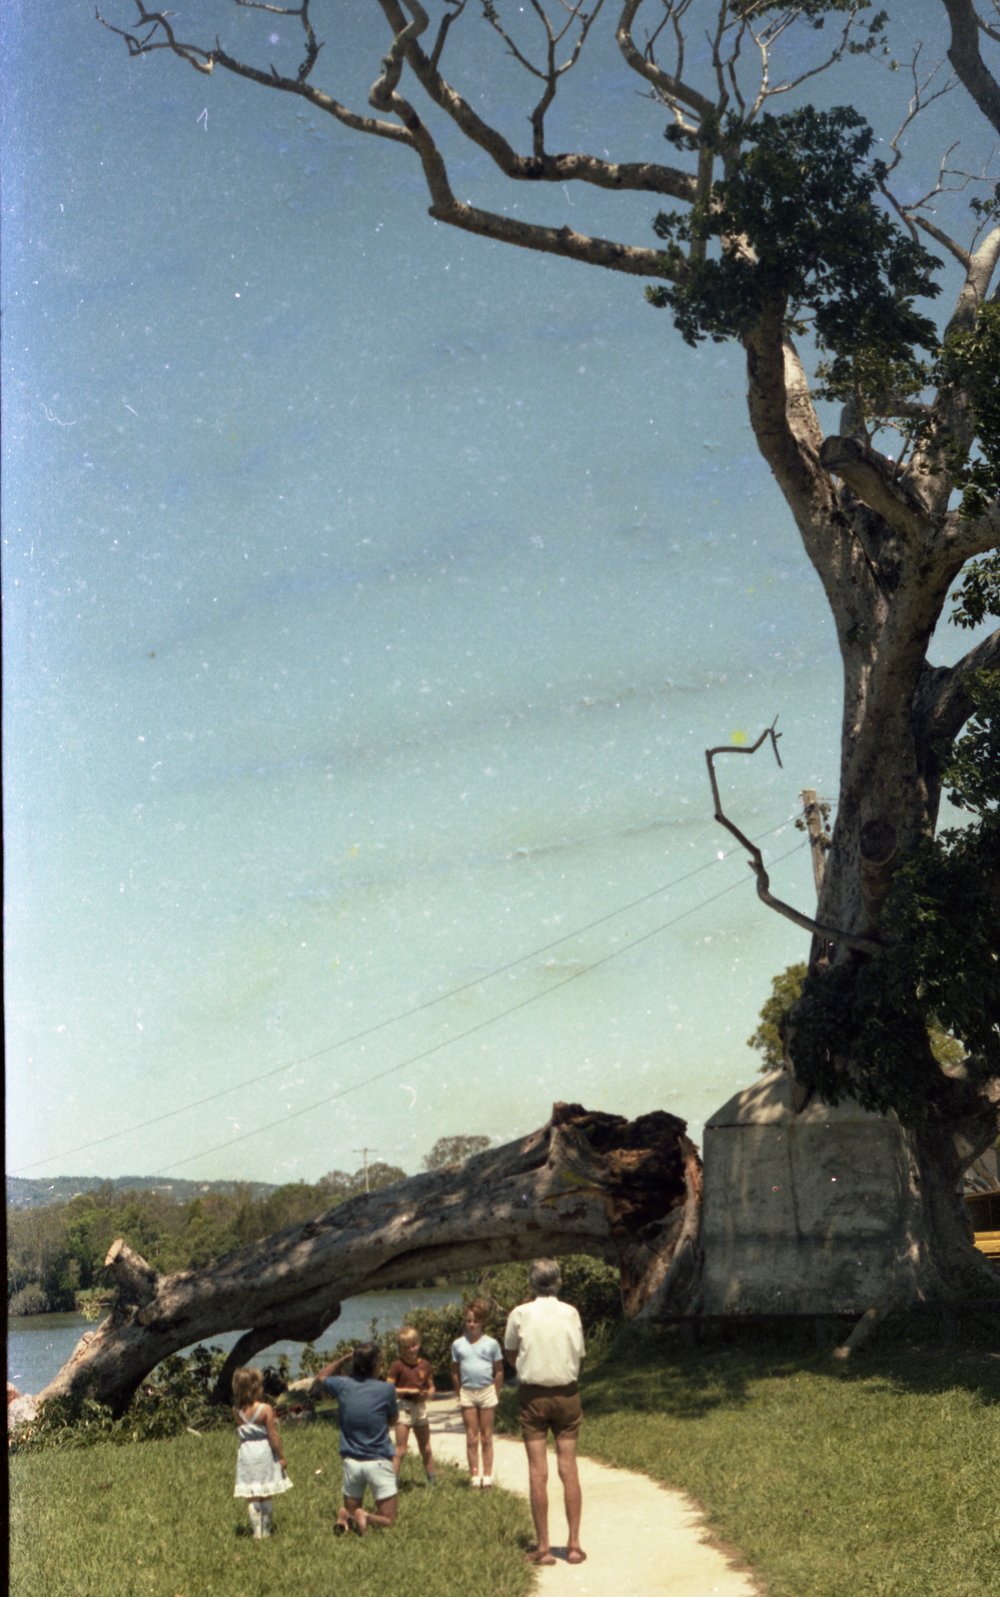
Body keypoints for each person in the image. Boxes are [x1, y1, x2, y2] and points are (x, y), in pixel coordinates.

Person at [503, 1259, 586, 1566]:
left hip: (533, 1395)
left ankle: (544, 1547)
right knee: (569, 1468)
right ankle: (574, 1545)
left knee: (538, 1472)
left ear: (532, 1283)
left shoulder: (520, 1313)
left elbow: (511, 1352)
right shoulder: (571, 1312)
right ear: (558, 1282)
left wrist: (526, 1366)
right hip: (567, 1393)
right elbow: (578, 1352)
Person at [303, 1344, 399, 1534]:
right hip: (379, 1460)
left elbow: (321, 1377)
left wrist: (344, 1359)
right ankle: (367, 1516)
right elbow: (393, 1419)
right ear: (376, 1365)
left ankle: (346, 1516)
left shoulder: (342, 1385)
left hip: (352, 1463)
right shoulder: (387, 1389)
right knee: (389, 1520)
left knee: (352, 1512)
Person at [232, 1365, 292, 1539]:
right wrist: (281, 1456)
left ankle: (256, 1532)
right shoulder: (265, 1409)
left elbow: (244, 1429)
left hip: (246, 1453)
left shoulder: (236, 1410)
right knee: (266, 1493)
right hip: (264, 1452)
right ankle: (266, 1530)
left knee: (253, 1494)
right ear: (254, 1388)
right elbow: (273, 1435)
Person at [450, 1298, 504, 1487]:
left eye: (475, 1321)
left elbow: (498, 1371)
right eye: (468, 1321)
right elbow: (455, 1371)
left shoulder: (491, 1344)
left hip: (487, 1391)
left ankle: (487, 1476)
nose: (471, 1325)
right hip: (467, 1392)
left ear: (482, 1322)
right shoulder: (458, 1345)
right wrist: (459, 1392)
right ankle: (474, 1475)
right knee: (471, 1436)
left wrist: (495, 1392)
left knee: (486, 1436)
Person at [386, 1325, 437, 1484]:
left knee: (426, 1448)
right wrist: (406, 1390)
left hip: (420, 1407)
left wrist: (427, 1395)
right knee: (401, 1448)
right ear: (401, 1348)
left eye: (414, 1345)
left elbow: (432, 1387)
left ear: (419, 1344)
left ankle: (432, 1480)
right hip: (403, 1406)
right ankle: (392, 1481)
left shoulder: (425, 1365)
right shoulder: (397, 1366)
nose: (411, 1350)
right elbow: (388, 1389)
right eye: (407, 1347)